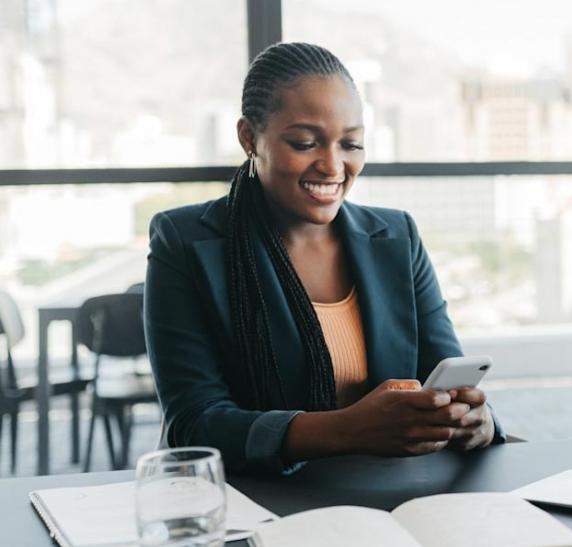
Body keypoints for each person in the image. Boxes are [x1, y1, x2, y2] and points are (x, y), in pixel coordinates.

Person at [144, 42, 503, 474]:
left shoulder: (395, 237)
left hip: (393, 495)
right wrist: (347, 430)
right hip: (258, 501)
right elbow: (195, 423)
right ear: (248, 138)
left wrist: (474, 420)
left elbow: (443, 374)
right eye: (305, 142)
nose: (333, 166)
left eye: (351, 144)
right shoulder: (186, 243)